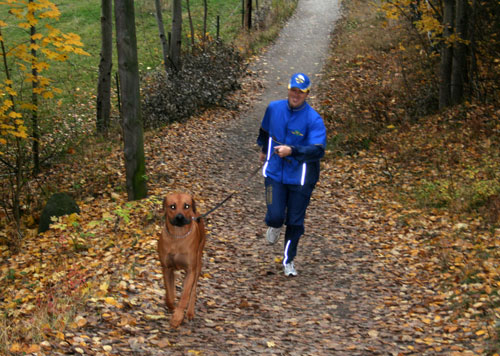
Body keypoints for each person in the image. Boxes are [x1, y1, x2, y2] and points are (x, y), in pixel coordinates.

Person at [256, 72, 327, 277]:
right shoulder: (274, 108)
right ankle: (275, 225)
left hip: (302, 178)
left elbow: (318, 150)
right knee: (275, 215)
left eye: (301, 92)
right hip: (275, 172)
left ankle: (288, 261)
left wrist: (293, 151)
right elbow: (264, 131)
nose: (296, 95)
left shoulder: (313, 119)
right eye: (293, 90)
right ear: (288, 89)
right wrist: (263, 150)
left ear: (307, 94)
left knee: (295, 222)